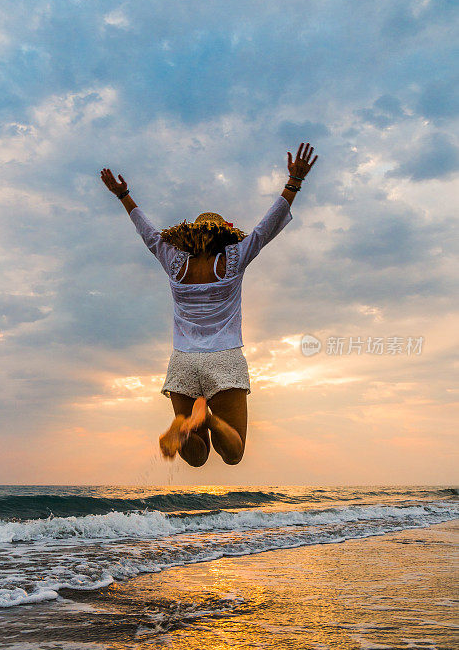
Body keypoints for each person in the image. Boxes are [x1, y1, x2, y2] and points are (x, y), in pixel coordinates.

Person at [100, 142, 318, 466]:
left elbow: (146, 231)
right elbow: (265, 229)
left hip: (182, 362)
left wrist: (123, 196)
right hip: (224, 359)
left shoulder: (173, 260)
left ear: (190, 235)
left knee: (196, 459)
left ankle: (187, 425)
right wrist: (293, 183)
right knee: (233, 453)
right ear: (223, 235)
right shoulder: (233, 258)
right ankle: (212, 420)